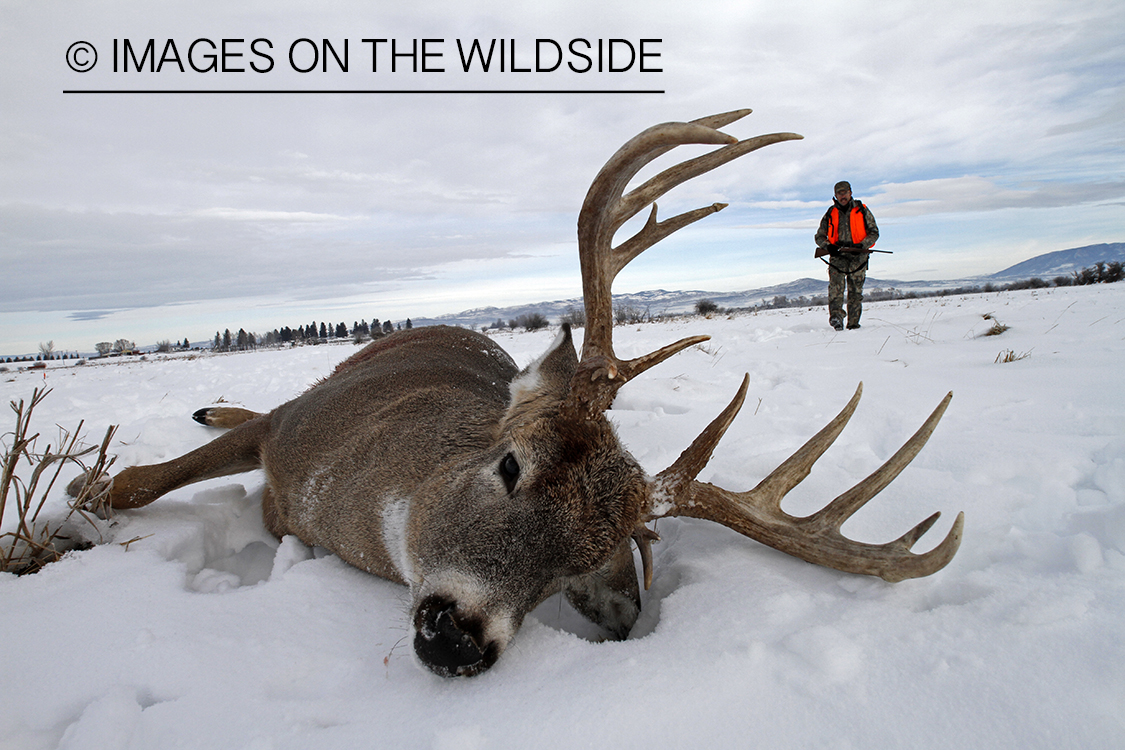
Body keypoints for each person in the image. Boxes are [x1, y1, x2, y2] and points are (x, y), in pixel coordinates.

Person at [814, 181, 879, 331]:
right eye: (839, 193)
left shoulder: (862, 210)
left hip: (859, 257)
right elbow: (819, 237)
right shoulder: (830, 213)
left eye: (845, 192)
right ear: (835, 195)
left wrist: (862, 246)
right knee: (836, 289)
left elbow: (874, 232)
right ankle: (836, 318)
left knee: (855, 292)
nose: (843, 196)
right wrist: (828, 246)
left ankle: (853, 324)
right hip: (838, 257)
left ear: (850, 193)